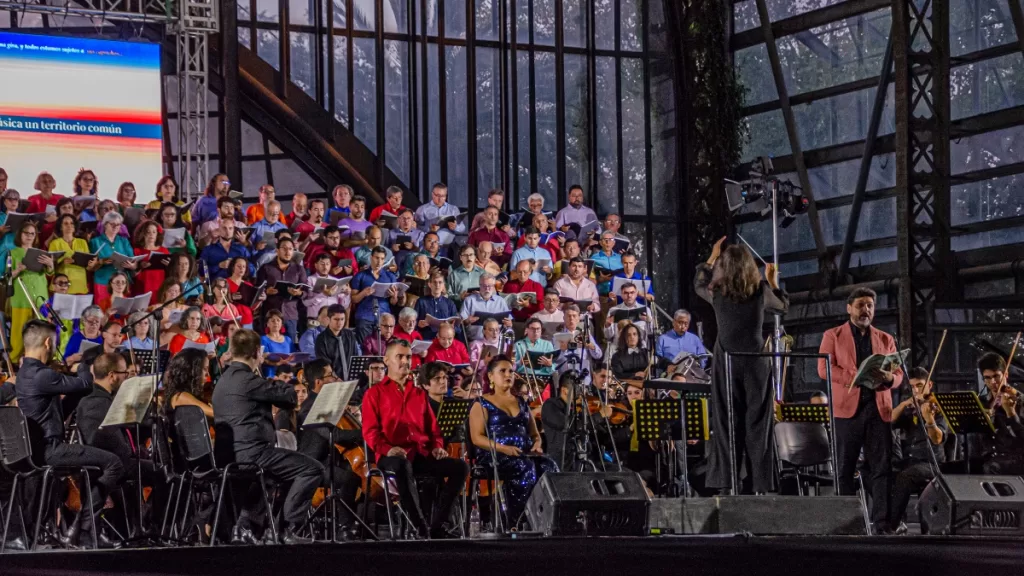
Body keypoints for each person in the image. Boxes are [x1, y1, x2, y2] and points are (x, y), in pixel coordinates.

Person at [16, 320, 124, 546]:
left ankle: (86, 528)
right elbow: (86, 384)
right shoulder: (43, 375)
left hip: (36, 449)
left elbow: (55, 412)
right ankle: (84, 528)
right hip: (49, 450)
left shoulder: (25, 373)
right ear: (48, 342)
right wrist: (84, 362)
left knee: (93, 466)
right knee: (113, 463)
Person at [696, 237, 788, 497]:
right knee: (759, 423)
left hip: (727, 361)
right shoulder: (759, 290)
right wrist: (772, 280)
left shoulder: (716, 290)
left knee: (727, 422)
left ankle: (728, 484)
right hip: (756, 362)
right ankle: (761, 486)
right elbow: (782, 307)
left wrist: (712, 256)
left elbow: (698, 283)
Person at [212, 329, 323, 544]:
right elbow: (289, 396)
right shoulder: (248, 380)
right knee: (311, 469)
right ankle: (286, 530)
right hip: (253, 454)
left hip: (230, 455)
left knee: (272, 476)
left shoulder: (224, 381)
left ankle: (249, 526)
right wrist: (270, 378)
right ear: (257, 352)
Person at [361, 339, 470, 538]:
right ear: (387, 360)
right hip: (391, 456)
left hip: (418, 453)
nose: (405, 361)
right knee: (403, 465)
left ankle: (437, 525)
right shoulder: (374, 393)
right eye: (399, 356)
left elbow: (433, 430)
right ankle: (420, 527)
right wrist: (388, 449)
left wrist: (437, 446)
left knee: (460, 467)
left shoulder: (419, 394)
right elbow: (370, 432)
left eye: (408, 357)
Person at [817, 285, 900, 532]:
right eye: (861, 305)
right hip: (847, 410)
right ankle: (847, 521)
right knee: (845, 467)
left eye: (870, 305)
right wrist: (856, 375)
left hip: (878, 409)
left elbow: (898, 374)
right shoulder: (832, 335)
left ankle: (883, 523)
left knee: (881, 468)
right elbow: (823, 368)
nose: (866, 309)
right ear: (849, 308)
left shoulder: (886, 338)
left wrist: (888, 379)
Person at [76, 352, 170, 535]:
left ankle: (140, 525)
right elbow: (104, 440)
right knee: (164, 474)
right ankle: (154, 525)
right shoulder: (98, 402)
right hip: (110, 464)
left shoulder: (97, 398)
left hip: (114, 461)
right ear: (112, 376)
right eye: (124, 374)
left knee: (153, 469)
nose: (127, 378)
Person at [469, 355, 557, 526]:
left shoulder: (521, 402)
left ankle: (546, 519)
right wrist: (504, 449)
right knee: (525, 467)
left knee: (549, 465)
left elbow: (534, 434)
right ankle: (515, 519)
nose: (508, 375)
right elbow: (477, 438)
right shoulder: (481, 403)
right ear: (490, 376)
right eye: (502, 371)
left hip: (522, 453)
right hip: (494, 455)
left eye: (510, 371)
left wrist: (537, 444)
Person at [295, 359, 363, 537]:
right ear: (318, 382)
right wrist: (364, 433)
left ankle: (351, 522)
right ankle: (344, 526)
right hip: (313, 464)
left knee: (356, 476)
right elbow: (337, 437)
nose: (335, 378)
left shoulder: (327, 403)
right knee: (349, 478)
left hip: (330, 460)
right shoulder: (309, 409)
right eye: (330, 375)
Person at [889, 367, 948, 529]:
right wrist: (903, 404)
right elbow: (889, 421)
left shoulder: (939, 409)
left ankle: (890, 526)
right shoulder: (910, 409)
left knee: (905, 476)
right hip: (909, 461)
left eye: (920, 386)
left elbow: (937, 439)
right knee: (879, 473)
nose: (915, 390)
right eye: (912, 387)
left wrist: (929, 419)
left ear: (929, 384)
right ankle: (899, 521)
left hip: (931, 463)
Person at [10, 221, 55, 361]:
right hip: (21, 296)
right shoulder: (13, 252)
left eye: (32, 233)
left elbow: (49, 273)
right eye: (26, 233)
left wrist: (50, 265)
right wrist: (17, 270)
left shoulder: (40, 252)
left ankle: (40, 358)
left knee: (41, 329)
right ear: (20, 234)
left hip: (40, 296)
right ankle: (15, 359)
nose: (29, 236)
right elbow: (7, 275)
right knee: (20, 330)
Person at [978, 352, 1024, 475]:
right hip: (990, 455)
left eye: (996, 376)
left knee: (992, 467)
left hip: (1017, 458)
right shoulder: (982, 403)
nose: (993, 382)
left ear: (1006, 375)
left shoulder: (1020, 401)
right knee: (954, 470)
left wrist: (1011, 414)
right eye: (987, 378)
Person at [256, 237, 308, 343]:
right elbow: (257, 290)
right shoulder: (266, 268)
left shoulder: (299, 269)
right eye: (284, 248)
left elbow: (306, 291)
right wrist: (266, 292)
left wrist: (299, 293)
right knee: (269, 348)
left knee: (290, 348)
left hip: (291, 314)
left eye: (290, 249)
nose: (287, 252)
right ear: (277, 250)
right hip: (270, 315)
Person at [350, 246, 405, 342]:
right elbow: (353, 299)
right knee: (365, 345)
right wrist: (363, 293)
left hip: (384, 316)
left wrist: (394, 297)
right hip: (365, 316)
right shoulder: (360, 275)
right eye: (377, 258)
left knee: (383, 347)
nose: (379, 261)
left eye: (382, 259)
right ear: (371, 258)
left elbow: (393, 302)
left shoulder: (390, 276)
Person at [89, 211, 137, 302]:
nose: (116, 227)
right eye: (113, 224)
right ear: (105, 224)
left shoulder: (124, 241)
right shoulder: (95, 242)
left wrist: (132, 266)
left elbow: (133, 260)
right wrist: (101, 262)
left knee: (122, 311)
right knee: (103, 309)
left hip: (122, 282)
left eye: (118, 224)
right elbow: (90, 265)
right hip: (103, 281)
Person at [49, 214, 96, 295]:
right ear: (61, 227)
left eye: (71, 223)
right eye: (66, 223)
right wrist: (62, 262)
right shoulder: (54, 243)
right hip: (62, 287)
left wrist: (91, 264)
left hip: (80, 285)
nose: (69, 225)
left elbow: (88, 266)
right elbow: (50, 266)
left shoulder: (82, 242)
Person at [459, 272, 513, 341]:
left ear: (494, 286)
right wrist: (467, 321)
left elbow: (509, 323)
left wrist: (509, 324)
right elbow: (460, 324)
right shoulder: (469, 300)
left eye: (490, 286)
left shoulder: (500, 301)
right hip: (475, 341)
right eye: (484, 286)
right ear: (479, 286)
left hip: (496, 342)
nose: (487, 289)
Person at [314, 304, 362, 381]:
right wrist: (336, 378)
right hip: (332, 381)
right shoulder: (321, 339)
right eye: (336, 319)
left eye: (342, 319)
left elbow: (355, 356)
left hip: (351, 379)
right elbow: (325, 365)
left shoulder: (349, 335)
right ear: (329, 319)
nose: (339, 323)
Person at [132, 221, 171, 304]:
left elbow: (171, 271)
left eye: (154, 232)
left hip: (159, 284)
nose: (151, 234)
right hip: (142, 285)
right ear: (143, 234)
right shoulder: (137, 251)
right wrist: (140, 266)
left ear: (157, 234)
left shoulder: (164, 250)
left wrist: (169, 266)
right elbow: (132, 272)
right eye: (148, 232)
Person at [415, 270, 460, 341]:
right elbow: (413, 322)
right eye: (435, 282)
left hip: (445, 339)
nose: (437, 285)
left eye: (440, 282)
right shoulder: (421, 301)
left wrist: (452, 327)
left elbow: (458, 328)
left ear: (443, 285)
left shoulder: (450, 303)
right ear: (430, 284)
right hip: (426, 338)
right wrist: (418, 324)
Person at [261, 309, 294, 377]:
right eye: (272, 321)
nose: (276, 323)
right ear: (267, 324)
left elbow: (294, 357)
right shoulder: (263, 339)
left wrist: (292, 363)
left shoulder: (288, 339)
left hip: (287, 372)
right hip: (272, 374)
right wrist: (277, 364)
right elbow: (264, 359)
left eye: (278, 320)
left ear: (282, 324)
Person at [591, 231, 624, 296]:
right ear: (600, 243)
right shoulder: (593, 258)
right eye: (605, 240)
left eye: (610, 240)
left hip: (619, 294)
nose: (608, 242)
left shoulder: (620, 258)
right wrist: (600, 279)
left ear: (614, 242)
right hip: (601, 293)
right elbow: (590, 278)